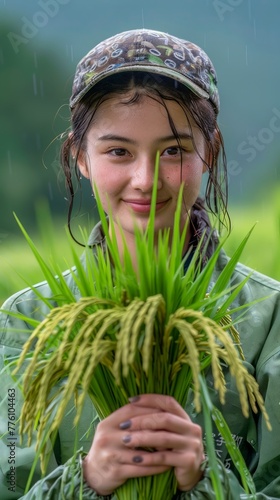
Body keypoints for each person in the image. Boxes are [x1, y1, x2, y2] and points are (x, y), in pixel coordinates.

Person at [0, 28, 280, 499]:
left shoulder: (268, 319)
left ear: (208, 150)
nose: (145, 180)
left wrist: (205, 479)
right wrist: (85, 479)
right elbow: (8, 483)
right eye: (118, 151)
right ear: (79, 157)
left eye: (173, 150)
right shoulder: (26, 323)